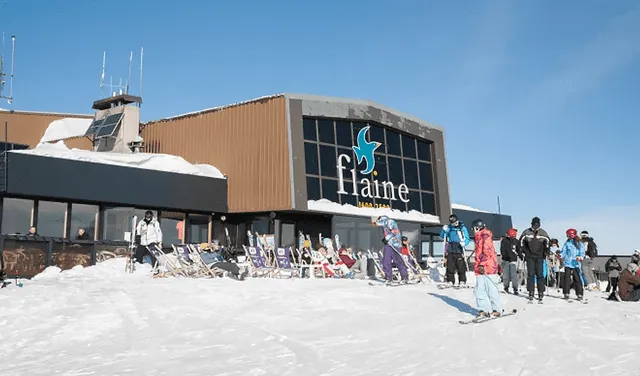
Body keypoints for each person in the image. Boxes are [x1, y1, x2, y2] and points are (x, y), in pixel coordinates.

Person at [471, 219, 502, 317]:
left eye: (474, 228)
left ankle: (496, 309)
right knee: (479, 290)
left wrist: (482, 264)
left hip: (488, 268)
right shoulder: (479, 238)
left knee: (491, 289)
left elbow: (487, 252)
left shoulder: (486, 236)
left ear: (477, 227)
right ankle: (482, 310)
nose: (473, 230)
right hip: (480, 269)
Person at [520, 216, 551, 302]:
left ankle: (541, 292)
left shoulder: (543, 233)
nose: (535, 227)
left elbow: (547, 242)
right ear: (532, 224)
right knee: (530, 274)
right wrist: (523, 252)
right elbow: (521, 242)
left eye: (537, 225)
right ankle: (531, 292)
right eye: (534, 225)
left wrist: (546, 252)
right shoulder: (526, 232)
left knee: (540, 274)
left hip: (540, 256)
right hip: (530, 256)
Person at [373, 215, 408, 283]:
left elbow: (395, 231)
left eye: (377, 222)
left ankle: (404, 276)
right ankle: (388, 277)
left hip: (396, 244)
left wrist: (386, 238)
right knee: (386, 260)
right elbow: (377, 224)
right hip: (388, 245)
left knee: (398, 261)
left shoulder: (390, 222)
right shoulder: (383, 225)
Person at [440, 214, 471, 287]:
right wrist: (443, 230)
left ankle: (462, 280)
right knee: (450, 265)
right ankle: (450, 280)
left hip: (459, 247)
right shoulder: (449, 228)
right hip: (451, 247)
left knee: (460, 266)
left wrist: (464, 243)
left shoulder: (462, 228)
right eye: (453, 223)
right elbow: (442, 236)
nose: (454, 225)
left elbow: (467, 238)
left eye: (455, 223)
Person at [560, 228, 586, 301]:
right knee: (567, 278)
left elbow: (582, 252)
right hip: (568, 263)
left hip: (575, 263)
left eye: (568, 235)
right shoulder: (567, 243)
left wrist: (580, 257)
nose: (567, 236)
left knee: (577, 278)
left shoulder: (579, 243)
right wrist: (560, 255)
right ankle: (566, 292)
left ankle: (579, 293)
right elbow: (564, 252)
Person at [500, 228, 522, 294]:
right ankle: (506, 287)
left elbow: (519, 250)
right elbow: (502, 250)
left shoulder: (517, 241)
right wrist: (504, 256)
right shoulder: (504, 241)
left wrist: (521, 256)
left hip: (513, 260)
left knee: (514, 275)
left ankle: (515, 288)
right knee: (506, 275)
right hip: (506, 260)